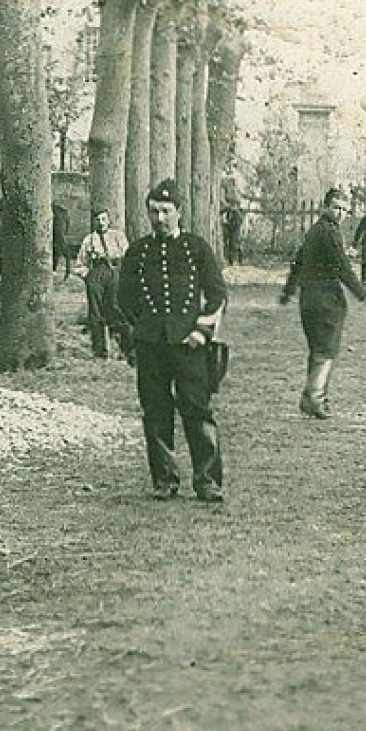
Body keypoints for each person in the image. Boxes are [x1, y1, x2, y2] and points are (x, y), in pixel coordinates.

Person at [117, 179, 228, 503]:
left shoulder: (197, 248)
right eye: (154, 211)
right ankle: (164, 480)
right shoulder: (138, 252)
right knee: (155, 411)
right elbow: (124, 299)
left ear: (179, 212)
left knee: (197, 410)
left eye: (166, 211)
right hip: (151, 346)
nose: (160, 218)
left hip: (189, 345)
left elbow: (218, 295)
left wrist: (201, 331)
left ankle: (207, 480)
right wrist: (139, 333)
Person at [281, 187, 366, 419]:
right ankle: (315, 398)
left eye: (345, 209)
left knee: (317, 349)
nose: (341, 213)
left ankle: (310, 397)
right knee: (326, 350)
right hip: (326, 300)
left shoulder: (314, 231)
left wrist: (289, 291)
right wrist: (364, 295)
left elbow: (298, 262)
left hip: (308, 299)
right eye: (336, 207)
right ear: (326, 207)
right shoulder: (329, 232)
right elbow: (342, 267)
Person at [74, 210, 132, 361]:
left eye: (103, 219)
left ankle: (128, 349)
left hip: (115, 273)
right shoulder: (89, 239)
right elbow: (80, 264)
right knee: (96, 313)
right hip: (96, 274)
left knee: (116, 308)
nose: (101, 222)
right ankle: (99, 352)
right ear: (93, 221)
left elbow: (129, 256)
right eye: (98, 219)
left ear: (109, 220)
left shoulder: (118, 236)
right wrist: (88, 276)